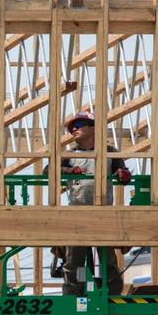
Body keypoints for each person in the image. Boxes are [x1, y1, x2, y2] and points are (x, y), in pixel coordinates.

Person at [53, 110, 133, 296]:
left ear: (93, 129)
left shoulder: (109, 152)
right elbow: (48, 170)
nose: (74, 130)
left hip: (103, 213)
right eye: (72, 127)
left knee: (108, 258)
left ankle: (112, 294)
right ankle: (73, 296)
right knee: (74, 260)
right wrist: (67, 170)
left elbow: (123, 174)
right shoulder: (70, 154)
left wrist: (123, 175)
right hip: (78, 214)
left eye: (79, 126)